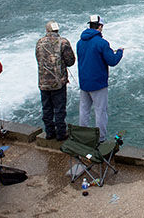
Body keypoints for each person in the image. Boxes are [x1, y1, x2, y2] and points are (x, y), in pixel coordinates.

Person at [76, 14, 124, 142]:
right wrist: (119, 52)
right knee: (100, 112)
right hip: (98, 84)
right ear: (100, 26)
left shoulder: (80, 42)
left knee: (84, 110)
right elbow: (112, 61)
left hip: (84, 82)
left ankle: (82, 135)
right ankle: (101, 138)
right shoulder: (102, 43)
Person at [35, 20, 75, 141]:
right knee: (59, 109)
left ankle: (49, 132)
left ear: (47, 30)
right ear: (57, 30)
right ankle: (61, 134)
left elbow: (38, 58)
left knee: (46, 108)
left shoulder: (39, 42)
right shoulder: (63, 42)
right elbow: (70, 61)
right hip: (58, 82)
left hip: (43, 82)